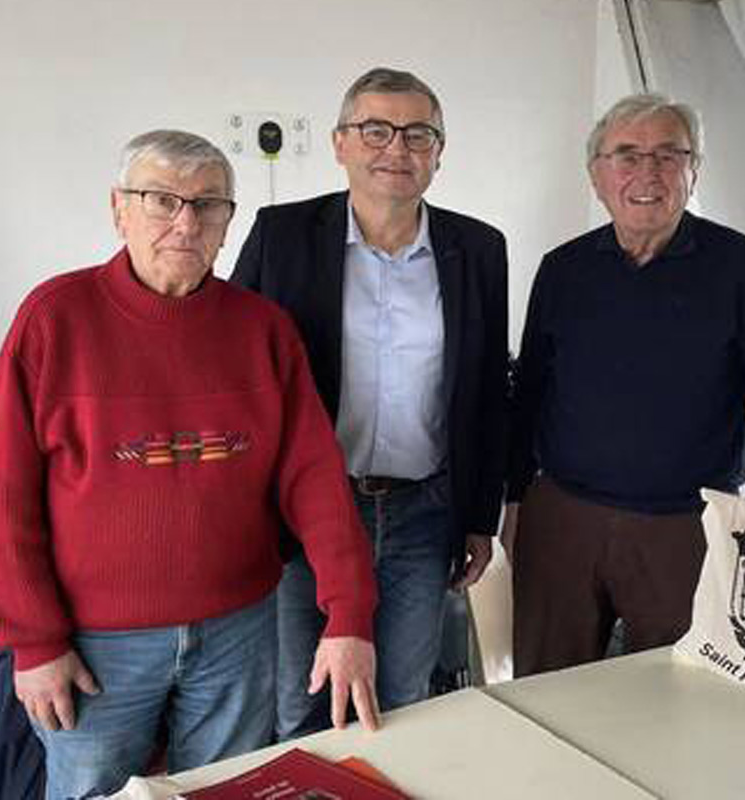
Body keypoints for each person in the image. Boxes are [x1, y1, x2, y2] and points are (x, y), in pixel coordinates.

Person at [0, 130, 379, 799]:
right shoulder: (54, 319)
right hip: (95, 645)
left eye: (208, 204)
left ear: (227, 222)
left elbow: (315, 482)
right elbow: (0, 497)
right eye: (162, 199)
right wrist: (33, 643)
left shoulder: (263, 329)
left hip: (238, 632)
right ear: (118, 209)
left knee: (225, 790)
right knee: (94, 795)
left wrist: (349, 613)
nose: (186, 221)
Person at [504, 93, 745, 677]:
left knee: (688, 697)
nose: (648, 173)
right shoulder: (563, 269)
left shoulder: (738, 266)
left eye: (668, 155)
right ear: (597, 175)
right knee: (546, 688)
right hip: (564, 523)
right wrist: (513, 501)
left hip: (687, 528)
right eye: (627, 155)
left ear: (693, 170)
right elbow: (529, 393)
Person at [232, 67, 508, 740]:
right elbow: (235, 366)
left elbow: (484, 393)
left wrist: (480, 516)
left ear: (440, 153)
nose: (397, 149)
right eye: (376, 130)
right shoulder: (283, 235)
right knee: (303, 699)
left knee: (405, 697)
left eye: (419, 134)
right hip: (309, 514)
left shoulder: (478, 249)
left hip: (424, 511)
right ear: (339, 143)